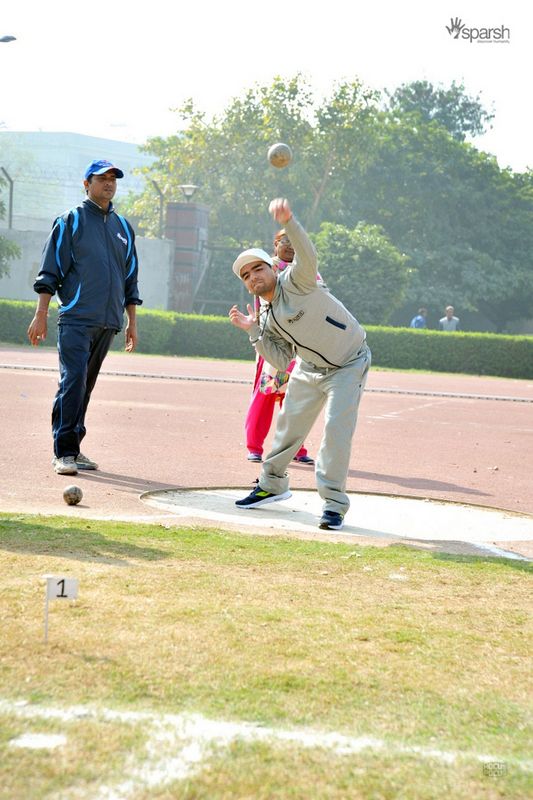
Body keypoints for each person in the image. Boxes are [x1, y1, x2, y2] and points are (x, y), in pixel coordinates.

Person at [229, 198, 370, 531]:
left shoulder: (298, 280)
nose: (253, 277)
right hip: (309, 369)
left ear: (273, 267)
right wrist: (253, 332)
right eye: (246, 276)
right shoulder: (266, 317)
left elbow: (308, 254)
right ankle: (272, 485)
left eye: (258, 268)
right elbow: (281, 360)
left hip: (349, 363)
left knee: (336, 430)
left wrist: (290, 222)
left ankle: (334, 505)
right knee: (287, 429)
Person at [27, 159, 142, 475]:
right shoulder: (70, 221)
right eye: (101, 178)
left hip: (109, 322)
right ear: (86, 184)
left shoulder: (123, 228)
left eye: (113, 179)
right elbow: (50, 271)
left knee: (85, 386)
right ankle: (63, 452)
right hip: (76, 319)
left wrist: (132, 321)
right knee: (73, 382)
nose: (109, 183)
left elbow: (130, 278)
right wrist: (41, 314)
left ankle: (74, 449)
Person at [245, 229, 314, 465]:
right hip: (273, 342)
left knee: (297, 398)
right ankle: (254, 446)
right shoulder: (266, 269)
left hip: (301, 345)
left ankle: (296, 448)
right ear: (275, 244)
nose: (291, 246)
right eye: (286, 241)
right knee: (266, 393)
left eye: (296, 242)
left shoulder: (307, 270)